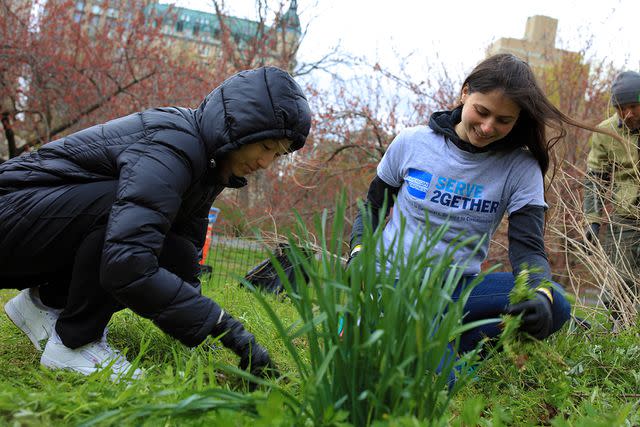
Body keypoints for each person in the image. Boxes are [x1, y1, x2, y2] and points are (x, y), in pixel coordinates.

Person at [0, 66, 311, 380]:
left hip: (28, 227)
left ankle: (42, 305)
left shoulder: (209, 166)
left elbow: (183, 258)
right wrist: (229, 330)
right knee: (126, 217)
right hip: (8, 217)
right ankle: (74, 344)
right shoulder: (174, 144)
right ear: (241, 126)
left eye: (277, 155)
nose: (264, 163)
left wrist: (210, 340)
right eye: (266, 147)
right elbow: (127, 261)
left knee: (169, 243)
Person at [349, 54, 610, 355]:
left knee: (555, 304)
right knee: (439, 379)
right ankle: (431, 346)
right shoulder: (412, 143)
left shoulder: (521, 168)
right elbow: (371, 209)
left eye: (503, 120)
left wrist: (539, 293)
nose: (487, 127)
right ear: (465, 93)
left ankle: (457, 345)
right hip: (394, 281)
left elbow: (528, 249)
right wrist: (358, 254)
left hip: (458, 289)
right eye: (482, 112)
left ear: (518, 120)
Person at [583, 70, 640, 324]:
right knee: (621, 279)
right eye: (620, 108)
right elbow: (595, 179)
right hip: (626, 213)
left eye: (634, 107)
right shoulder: (605, 133)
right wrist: (592, 220)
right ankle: (621, 329)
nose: (627, 115)